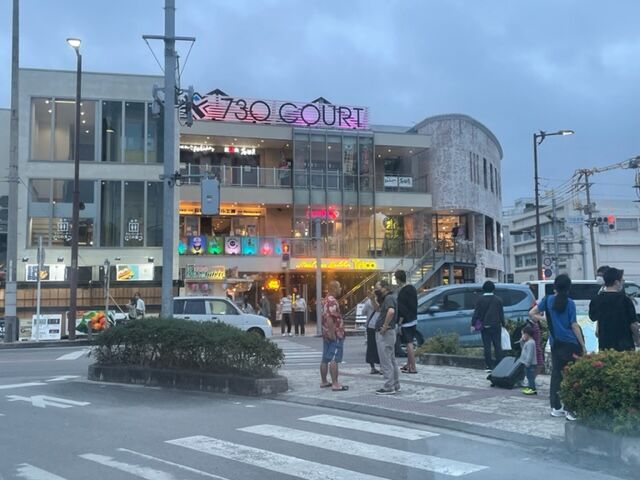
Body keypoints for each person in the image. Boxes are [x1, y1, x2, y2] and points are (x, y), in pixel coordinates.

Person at [529, 274, 586, 420]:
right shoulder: (570, 303)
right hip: (571, 344)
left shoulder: (548, 300)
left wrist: (545, 320)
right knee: (572, 375)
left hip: (556, 343)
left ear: (555, 286)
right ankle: (570, 410)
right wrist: (582, 345)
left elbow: (532, 313)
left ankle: (556, 407)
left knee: (556, 375)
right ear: (568, 288)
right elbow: (574, 325)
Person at [589, 267, 639, 352]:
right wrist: (637, 340)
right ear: (616, 282)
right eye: (622, 281)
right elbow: (633, 324)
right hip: (625, 344)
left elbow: (593, 318)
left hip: (605, 344)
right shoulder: (625, 300)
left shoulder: (596, 300)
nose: (622, 283)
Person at [471, 281, 505, 371]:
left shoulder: (480, 300)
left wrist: (473, 324)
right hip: (496, 325)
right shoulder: (498, 300)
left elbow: (476, 313)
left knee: (487, 346)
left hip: (484, 325)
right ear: (493, 289)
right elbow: (501, 314)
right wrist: (503, 324)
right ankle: (499, 365)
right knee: (497, 346)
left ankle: (488, 366)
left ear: (484, 289)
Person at [320, 281, 347, 391]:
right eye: (339, 287)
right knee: (334, 359)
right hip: (335, 333)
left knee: (325, 358)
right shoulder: (332, 301)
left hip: (326, 333)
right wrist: (332, 333)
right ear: (334, 288)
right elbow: (330, 318)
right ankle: (335, 383)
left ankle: (324, 381)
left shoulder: (325, 300)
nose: (340, 289)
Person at [374, 279, 400, 395]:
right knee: (391, 359)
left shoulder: (389, 298)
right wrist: (372, 299)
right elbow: (379, 310)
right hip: (389, 332)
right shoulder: (387, 298)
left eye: (377, 287)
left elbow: (391, 311)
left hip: (386, 333)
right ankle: (395, 384)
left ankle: (389, 386)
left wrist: (385, 326)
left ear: (384, 287)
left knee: (386, 360)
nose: (376, 290)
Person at [395, 270, 418, 374]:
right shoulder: (412, 288)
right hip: (413, 318)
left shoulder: (402, 292)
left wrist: (399, 322)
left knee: (409, 344)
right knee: (410, 342)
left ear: (398, 279)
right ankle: (409, 364)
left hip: (406, 321)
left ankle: (413, 367)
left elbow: (402, 309)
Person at [362, 288, 381, 374]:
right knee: (380, 346)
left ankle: (372, 367)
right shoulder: (381, 302)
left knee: (370, 347)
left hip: (370, 326)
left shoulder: (368, 302)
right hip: (379, 326)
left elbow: (363, 312)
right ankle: (382, 366)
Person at [517, 324, 538, 395]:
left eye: (522, 334)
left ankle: (532, 389)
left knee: (530, 377)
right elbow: (523, 348)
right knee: (528, 376)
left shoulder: (531, 343)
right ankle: (530, 387)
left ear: (527, 334)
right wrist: (521, 341)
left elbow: (530, 354)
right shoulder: (527, 342)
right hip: (527, 363)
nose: (522, 336)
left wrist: (528, 362)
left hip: (530, 364)